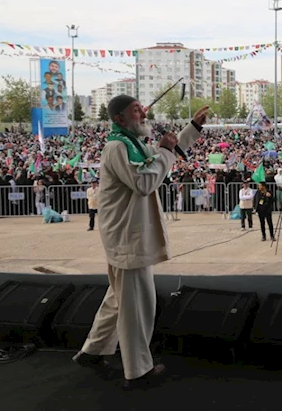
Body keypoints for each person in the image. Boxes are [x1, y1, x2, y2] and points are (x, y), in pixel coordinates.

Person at [73, 94, 208, 390]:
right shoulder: (119, 147)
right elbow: (146, 181)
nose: (143, 113)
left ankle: (92, 351)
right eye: (136, 110)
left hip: (128, 235)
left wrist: (192, 129)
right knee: (137, 305)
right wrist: (166, 150)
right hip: (128, 236)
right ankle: (138, 371)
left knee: (118, 299)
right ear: (119, 119)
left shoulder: (131, 144)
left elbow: (160, 157)